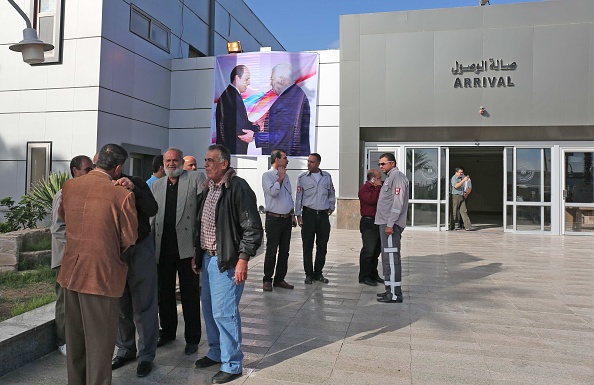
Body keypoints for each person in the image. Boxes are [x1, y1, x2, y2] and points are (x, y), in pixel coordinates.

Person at [57, 144, 138, 385]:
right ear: (119, 168)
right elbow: (129, 237)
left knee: (76, 341)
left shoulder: (70, 185)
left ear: (97, 160)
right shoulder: (122, 195)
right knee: (100, 346)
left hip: (70, 271)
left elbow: (64, 217)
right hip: (101, 275)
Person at [191, 144, 263, 384]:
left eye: (211, 160)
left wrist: (243, 260)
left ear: (224, 164)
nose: (206, 164)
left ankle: (232, 364)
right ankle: (216, 352)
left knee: (225, 312)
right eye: (205, 160)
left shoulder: (238, 188)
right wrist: (197, 255)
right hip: (208, 258)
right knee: (210, 310)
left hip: (228, 262)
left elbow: (252, 228)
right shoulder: (207, 188)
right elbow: (201, 225)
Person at [151, 148, 206, 355]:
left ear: (182, 162)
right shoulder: (156, 186)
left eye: (175, 160)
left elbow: (203, 211)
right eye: (168, 160)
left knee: (190, 295)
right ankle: (167, 332)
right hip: (162, 249)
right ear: (163, 163)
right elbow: (152, 218)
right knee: (164, 294)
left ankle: (192, 339)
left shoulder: (194, 179)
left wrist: (199, 248)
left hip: (187, 249)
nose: (171, 164)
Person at [111, 169, 159, 377]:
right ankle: (125, 350)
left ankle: (146, 355)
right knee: (120, 303)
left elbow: (152, 208)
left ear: (117, 167)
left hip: (140, 248)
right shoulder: (99, 187)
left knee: (144, 304)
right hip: (114, 252)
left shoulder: (136, 182)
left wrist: (134, 189)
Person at [50, 155, 93, 357]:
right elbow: (57, 229)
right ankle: (63, 341)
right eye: (87, 169)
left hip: (80, 257)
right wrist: (77, 245)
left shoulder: (85, 193)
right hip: (65, 258)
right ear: (75, 171)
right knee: (64, 300)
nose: (91, 173)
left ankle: (77, 339)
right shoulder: (63, 194)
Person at [239, 63, 311, 156]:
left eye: (272, 79)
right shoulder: (291, 95)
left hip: (285, 160)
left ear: (282, 79)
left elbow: (285, 135)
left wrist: (255, 136)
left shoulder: (290, 99)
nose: (270, 83)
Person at [294, 153, 335, 284]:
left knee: (322, 246)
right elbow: (299, 197)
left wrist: (331, 207)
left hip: (323, 216)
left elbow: (331, 193)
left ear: (318, 163)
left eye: (312, 162)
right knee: (307, 246)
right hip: (308, 215)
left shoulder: (327, 177)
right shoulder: (302, 178)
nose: (308, 164)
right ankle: (309, 274)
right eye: (308, 161)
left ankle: (318, 273)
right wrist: (298, 214)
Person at [375, 153, 409, 304]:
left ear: (392, 163)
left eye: (383, 164)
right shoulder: (390, 178)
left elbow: (398, 203)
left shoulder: (398, 178)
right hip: (385, 223)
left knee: (392, 259)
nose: (381, 167)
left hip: (391, 225)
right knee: (387, 259)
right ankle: (389, 289)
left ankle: (395, 294)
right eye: (380, 164)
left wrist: (390, 224)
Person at [261, 149, 297, 292]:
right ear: (276, 160)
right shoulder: (267, 175)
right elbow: (273, 192)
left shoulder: (286, 176)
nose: (287, 161)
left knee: (284, 251)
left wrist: (292, 214)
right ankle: (267, 279)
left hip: (286, 219)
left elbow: (288, 196)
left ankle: (279, 279)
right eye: (284, 158)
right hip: (273, 219)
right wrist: (280, 178)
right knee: (271, 251)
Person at [215, 65, 260, 155]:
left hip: (231, 151)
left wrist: (256, 125)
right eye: (246, 79)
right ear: (237, 78)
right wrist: (257, 128)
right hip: (233, 151)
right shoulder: (231, 97)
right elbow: (240, 127)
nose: (249, 83)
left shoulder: (231, 95)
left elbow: (240, 122)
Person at [357, 168, 384, 287]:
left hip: (379, 222)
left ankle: (373, 273)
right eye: (378, 178)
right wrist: (378, 187)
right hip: (369, 222)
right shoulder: (364, 189)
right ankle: (364, 276)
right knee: (369, 250)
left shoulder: (379, 188)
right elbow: (373, 200)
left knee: (376, 250)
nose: (381, 180)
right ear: (372, 179)